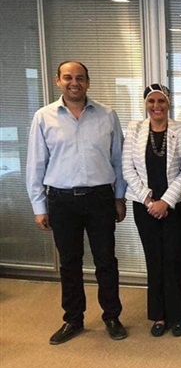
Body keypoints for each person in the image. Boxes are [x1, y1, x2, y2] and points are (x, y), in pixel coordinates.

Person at [26, 60, 128, 344]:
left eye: (80, 78)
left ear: (88, 82)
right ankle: (73, 318)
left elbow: (118, 160)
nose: (74, 83)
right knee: (69, 263)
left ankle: (112, 316)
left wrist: (119, 196)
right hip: (62, 200)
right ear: (58, 81)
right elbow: (35, 164)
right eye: (68, 77)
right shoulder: (43, 117)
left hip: (100, 198)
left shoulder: (107, 115)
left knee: (106, 260)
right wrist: (39, 207)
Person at [122, 84, 181, 337]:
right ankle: (159, 316)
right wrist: (149, 201)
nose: (156, 106)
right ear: (145, 104)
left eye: (161, 101)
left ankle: (178, 315)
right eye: (151, 101)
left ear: (169, 103)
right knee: (154, 260)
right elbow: (127, 168)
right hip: (144, 206)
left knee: (174, 260)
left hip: (177, 205)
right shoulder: (134, 128)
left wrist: (166, 201)